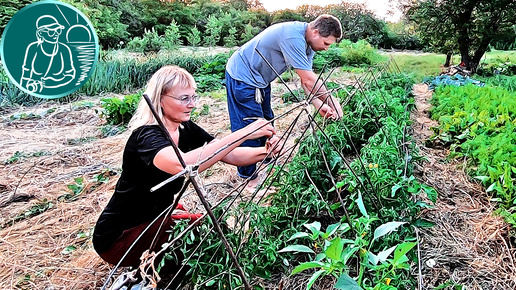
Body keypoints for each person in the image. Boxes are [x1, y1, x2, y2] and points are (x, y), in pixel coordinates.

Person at [92, 65, 279, 286]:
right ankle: (141, 279)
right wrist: (245, 133)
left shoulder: (184, 129)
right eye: (184, 98)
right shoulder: (147, 137)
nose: (192, 104)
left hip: (155, 217)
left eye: (193, 97)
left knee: (205, 232)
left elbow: (230, 155)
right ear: (160, 99)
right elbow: (184, 166)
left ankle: (159, 268)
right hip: (120, 235)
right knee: (200, 240)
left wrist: (265, 152)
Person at [225, 14, 344, 186]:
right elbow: (310, 80)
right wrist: (332, 101)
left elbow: (306, 79)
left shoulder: (308, 44)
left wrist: (319, 104)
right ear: (316, 32)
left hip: (260, 79)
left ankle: (266, 160)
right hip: (242, 77)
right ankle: (249, 179)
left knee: (267, 120)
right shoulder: (292, 36)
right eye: (326, 43)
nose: (326, 48)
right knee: (250, 127)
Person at [21, 15, 75, 93]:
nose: (56, 34)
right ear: (40, 33)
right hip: (35, 91)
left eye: (58, 30)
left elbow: (70, 75)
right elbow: (26, 72)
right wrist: (23, 90)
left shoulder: (64, 49)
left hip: (59, 92)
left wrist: (56, 82)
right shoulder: (33, 48)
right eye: (51, 31)